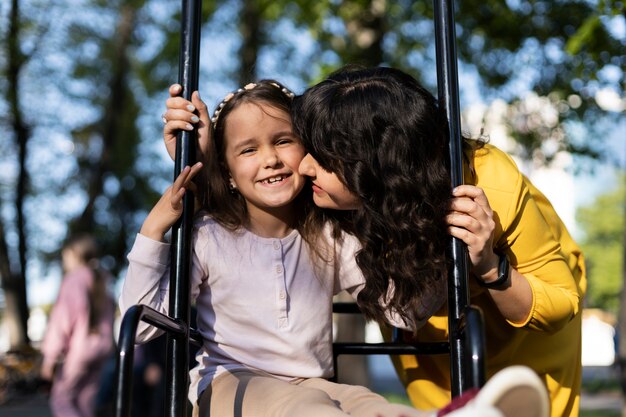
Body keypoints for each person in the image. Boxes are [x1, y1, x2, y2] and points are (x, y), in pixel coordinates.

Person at [120, 79, 549, 417]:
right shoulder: (208, 235)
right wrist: (156, 226)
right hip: (230, 385)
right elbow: (139, 326)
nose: (269, 158)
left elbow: (401, 311)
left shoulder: (329, 234)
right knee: (309, 409)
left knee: (364, 403)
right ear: (228, 172)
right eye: (248, 149)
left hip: (313, 386)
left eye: (283, 141)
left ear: (309, 151)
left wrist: (439, 241)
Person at [290, 65, 586, 417]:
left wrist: (490, 265)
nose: (305, 167)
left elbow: (561, 304)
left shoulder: (486, 186)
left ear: (378, 166)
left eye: (325, 158)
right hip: (433, 355)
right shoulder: (330, 196)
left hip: (525, 356)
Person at [40, 233, 116, 417]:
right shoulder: (103, 279)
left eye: (65, 256)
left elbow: (61, 323)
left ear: (75, 254)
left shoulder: (74, 280)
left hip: (80, 351)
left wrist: (49, 359)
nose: (64, 261)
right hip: (102, 350)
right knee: (85, 402)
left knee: (61, 399)